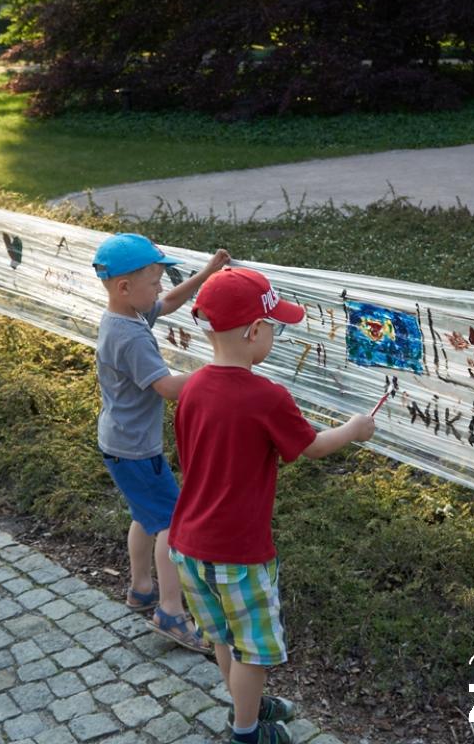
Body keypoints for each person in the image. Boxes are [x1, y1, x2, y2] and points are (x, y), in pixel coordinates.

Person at [168, 266, 376, 744]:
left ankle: (247, 703)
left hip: (187, 542)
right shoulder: (266, 396)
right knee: (254, 651)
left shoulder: (193, 386)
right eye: (276, 328)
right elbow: (314, 446)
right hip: (238, 552)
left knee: (222, 636)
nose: (277, 336)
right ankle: (247, 731)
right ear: (254, 331)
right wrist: (354, 429)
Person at [93, 232, 229, 652]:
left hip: (119, 442)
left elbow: (166, 305)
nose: (160, 290)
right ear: (125, 287)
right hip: (136, 450)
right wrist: (223, 371)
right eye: (154, 281)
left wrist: (206, 274)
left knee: (146, 517)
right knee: (175, 524)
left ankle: (140, 589)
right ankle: (171, 612)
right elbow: (168, 387)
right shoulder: (130, 336)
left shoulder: (125, 314)